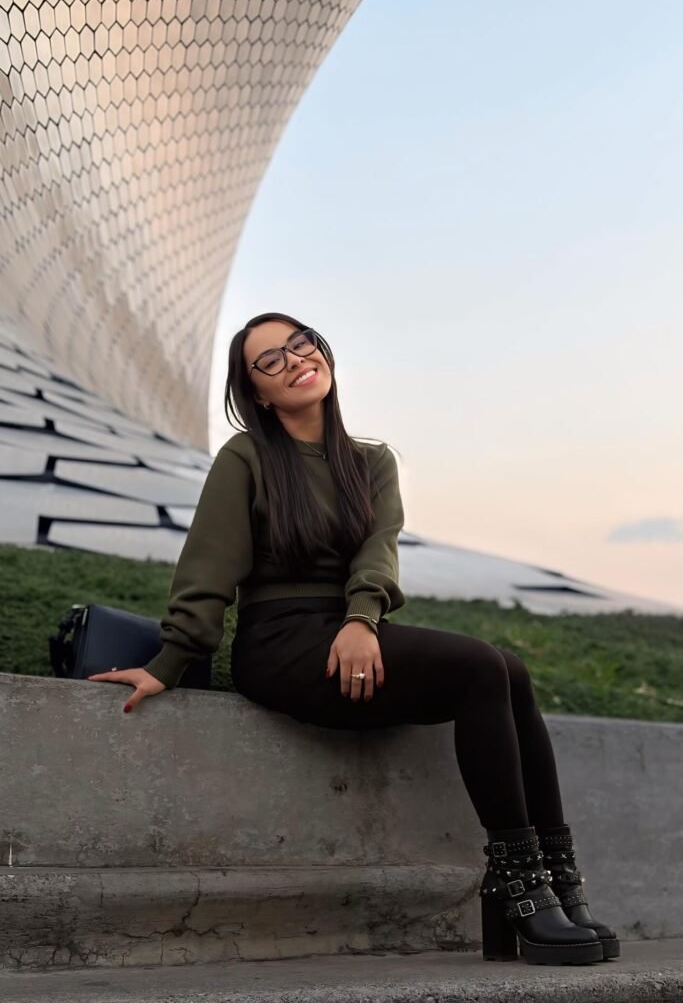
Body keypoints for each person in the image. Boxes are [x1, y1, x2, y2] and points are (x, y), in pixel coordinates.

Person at [88, 312, 620, 966]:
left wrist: (361, 620)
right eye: (270, 361)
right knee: (481, 666)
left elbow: (379, 552)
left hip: (350, 630)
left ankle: (555, 881)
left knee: (508, 669)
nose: (294, 360)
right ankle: (518, 887)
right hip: (280, 643)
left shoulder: (369, 461)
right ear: (256, 392)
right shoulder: (247, 456)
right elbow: (209, 565)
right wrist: (167, 663)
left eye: (299, 344)